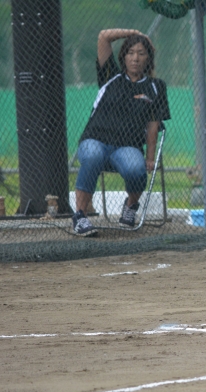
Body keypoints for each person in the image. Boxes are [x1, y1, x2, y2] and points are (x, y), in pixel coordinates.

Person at [72, 28, 170, 237]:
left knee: (136, 169)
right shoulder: (110, 75)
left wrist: (150, 157)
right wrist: (134, 33)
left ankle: (130, 205)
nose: (135, 58)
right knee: (92, 155)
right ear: (123, 56)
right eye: (131, 52)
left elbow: (153, 125)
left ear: (148, 58)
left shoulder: (155, 87)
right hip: (95, 140)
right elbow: (103, 36)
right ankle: (80, 216)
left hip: (127, 147)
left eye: (141, 53)